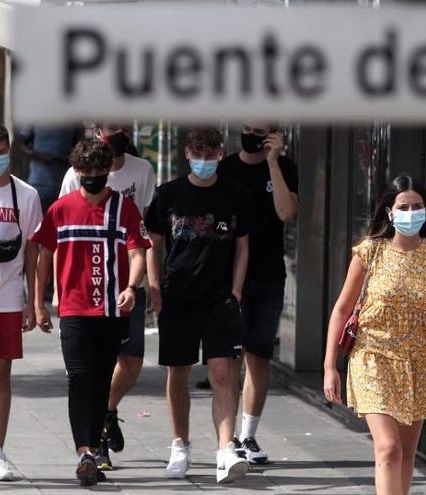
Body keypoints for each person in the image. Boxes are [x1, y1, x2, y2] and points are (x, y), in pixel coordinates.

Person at [323, 174, 426, 495]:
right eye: (404, 206)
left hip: (418, 361)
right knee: (388, 448)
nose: (411, 212)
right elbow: (342, 310)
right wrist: (330, 365)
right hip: (373, 358)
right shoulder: (369, 252)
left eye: (417, 206)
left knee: (405, 453)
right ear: (390, 212)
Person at [33, 139, 150, 486]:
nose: (93, 179)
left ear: (107, 174)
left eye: (100, 173)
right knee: (79, 378)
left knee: (101, 380)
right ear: (77, 173)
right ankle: (84, 451)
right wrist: (39, 301)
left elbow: (138, 252)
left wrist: (132, 287)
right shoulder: (61, 209)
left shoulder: (124, 208)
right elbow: (43, 252)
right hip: (73, 308)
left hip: (112, 308)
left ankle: (96, 444)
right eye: (87, 173)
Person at [145, 127, 251, 484]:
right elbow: (153, 244)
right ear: (187, 154)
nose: (204, 161)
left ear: (220, 154)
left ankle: (225, 449)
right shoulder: (167, 195)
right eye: (198, 154)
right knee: (179, 372)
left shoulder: (235, 194)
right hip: (178, 297)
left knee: (223, 373)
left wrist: (236, 291)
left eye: (210, 154)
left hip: (220, 299)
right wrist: (155, 286)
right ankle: (180, 445)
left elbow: (242, 247)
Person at [58, 123, 156, 470]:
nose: (94, 177)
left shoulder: (141, 174)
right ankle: (90, 447)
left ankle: (106, 414)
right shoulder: (71, 185)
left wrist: (143, 284)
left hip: (123, 291)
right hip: (79, 298)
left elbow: (147, 238)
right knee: (82, 376)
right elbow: (58, 239)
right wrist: (53, 294)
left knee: (125, 364)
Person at [216, 122, 298, 464]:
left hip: (268, 275)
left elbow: (286, 212)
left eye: (260, 130)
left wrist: (273, 162)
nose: (251, 134)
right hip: (231, 277)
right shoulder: (226, 169)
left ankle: (248, 435)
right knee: (232, 359)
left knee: (259, 357)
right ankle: (229, 436)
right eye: (247, 127)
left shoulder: (284, 167)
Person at [0, 124, 44, 481]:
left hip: (7, 298)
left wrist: (33, 302)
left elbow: (33, 252)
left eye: (0, 151)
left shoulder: (27, 195)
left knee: (0, 375)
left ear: (10, 151)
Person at [18, 125, 84, 213]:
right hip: (39, 183)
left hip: (65, 184)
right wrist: (39, 156)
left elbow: (81, 146)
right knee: (38, 222)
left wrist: (69, 158)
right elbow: (20, 145)